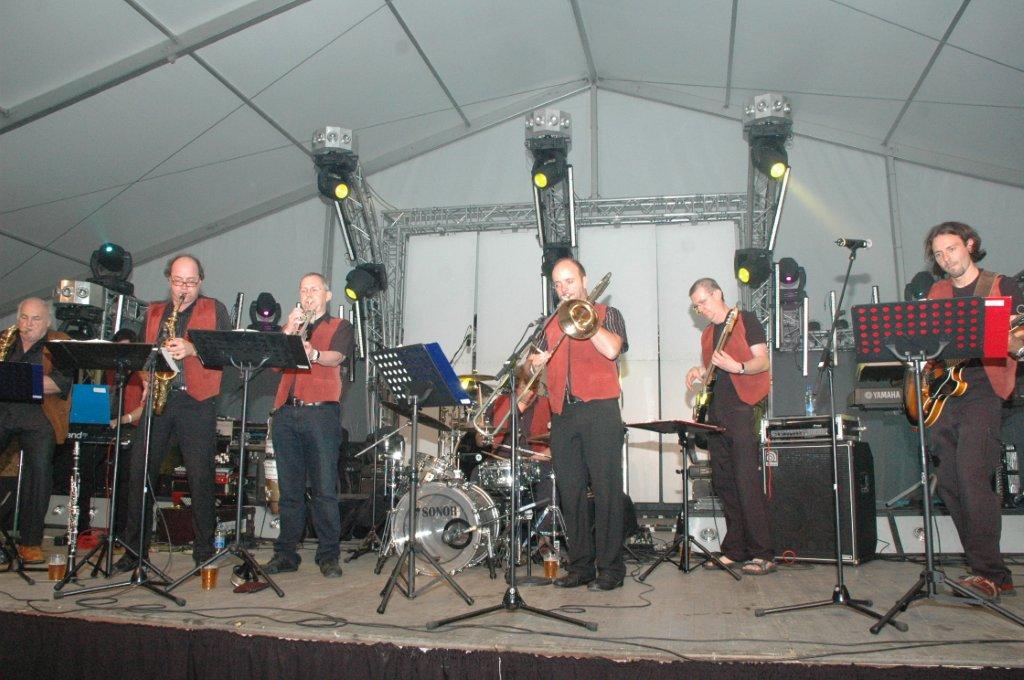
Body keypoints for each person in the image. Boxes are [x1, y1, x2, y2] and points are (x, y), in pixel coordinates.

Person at [921, 221, 1023, 600]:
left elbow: (1017, 338)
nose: (946, 259)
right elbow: (928, 342)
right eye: (939, 254)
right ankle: (991, 570)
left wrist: (1011, 339)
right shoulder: (938, 292)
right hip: (946, 393)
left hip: (984, 389)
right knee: (948, 482)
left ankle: (986, 573)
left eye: (951, 249)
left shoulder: (1000, 285)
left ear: (970, 244)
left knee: (971, 476)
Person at [115, 254, 231, 573]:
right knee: (140, 472)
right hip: (160, 400)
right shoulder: (154, 311)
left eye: (191, 282)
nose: (184, 288)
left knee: (200, 476)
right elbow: (143, 356)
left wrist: (193, 349)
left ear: (200, 281)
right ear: (169, 280)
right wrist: (146, 379)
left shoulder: (215, 309)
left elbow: (227, 351)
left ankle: (204, 550)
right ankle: (134, 549)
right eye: (179, 282)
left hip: (197, 400)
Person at [529, 258, 627, 591]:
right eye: (557, 284)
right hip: (563, 414)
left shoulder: (607, 313)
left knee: (606, 490)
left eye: (569, 281)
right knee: (570, 494)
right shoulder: (549, 324)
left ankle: (611, 568)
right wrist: (535, 363)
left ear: (584, 280)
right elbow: (531, 370)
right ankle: (581, 565)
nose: (563, 289)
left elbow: (612, 350)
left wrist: (586, 319)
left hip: (600, 409)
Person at [262, 273, 354, 578]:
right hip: (286, 414)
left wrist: (312, 352)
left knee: (324, 489)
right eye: (303, 290)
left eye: (314, 290)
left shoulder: (340, 326)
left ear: (327, 295)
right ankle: (286, 554)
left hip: (320, 414)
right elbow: (274, 364)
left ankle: (328, 555)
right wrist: (290, 328)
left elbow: (335, 357)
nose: (308, 295)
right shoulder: (291, 328)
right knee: (289, 490)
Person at [684, 278, 775, 575]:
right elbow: (714, 372)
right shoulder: (707, 335)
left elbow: (763, 361)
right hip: (717, 412)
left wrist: (739, 367)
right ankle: (735, 549)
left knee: (746, 481)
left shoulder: (745, 319)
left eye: (703, 301)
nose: (701, 309)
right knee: (724, 483)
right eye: (696, 306)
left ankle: (763, 553)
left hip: (742, 408)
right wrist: (700, 372)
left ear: (718, 293)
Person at [0, 298, 71, 564]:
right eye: (24, 318)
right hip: (4, 412)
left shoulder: (59, 342)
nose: (28, 324)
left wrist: (14, 379)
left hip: (40, 416)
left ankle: (30, 542)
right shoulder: (5, 339)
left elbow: (60, 383)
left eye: (36, 319)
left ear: (48, 321)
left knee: (39, 474)